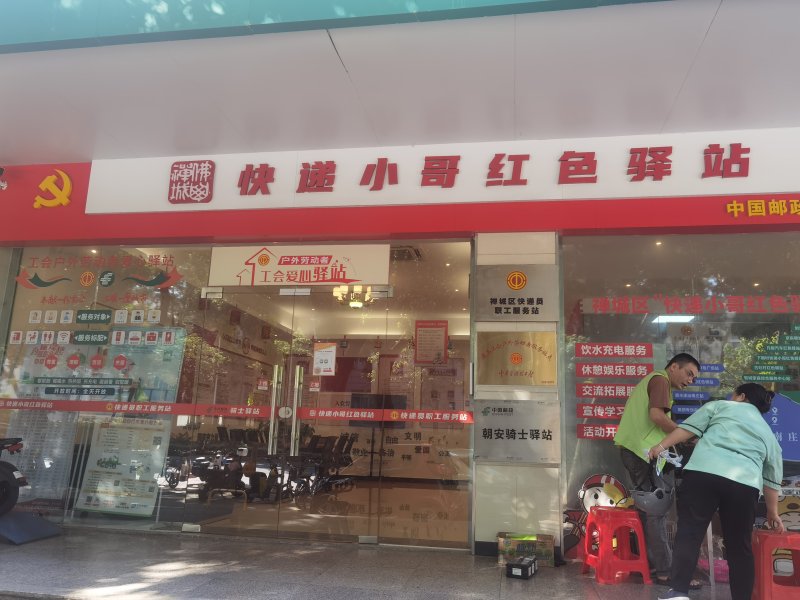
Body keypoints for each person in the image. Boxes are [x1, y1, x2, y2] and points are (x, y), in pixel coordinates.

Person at [649, 382, 784, 600]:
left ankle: (678, 593)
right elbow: (772, 479)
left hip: (704, 474)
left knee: (690, 533)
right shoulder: (768, 434)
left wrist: (661, 446)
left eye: (733, 395)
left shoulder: (719, 406)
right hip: (744, 484)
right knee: (739, 546)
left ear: (741, 396)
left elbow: (687, 429)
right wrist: (773, 512)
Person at [613, 352, 700, 586]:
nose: (690, 380)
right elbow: (656, 416)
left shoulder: (655, 381)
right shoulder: (661, 380)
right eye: (688, 373)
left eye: (694, 378)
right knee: (656, 511)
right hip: (642, 452)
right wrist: (683, 435)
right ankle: (665, 571)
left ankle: (650, 564)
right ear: (673, 367)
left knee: (648, 511)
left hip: (635, 450)